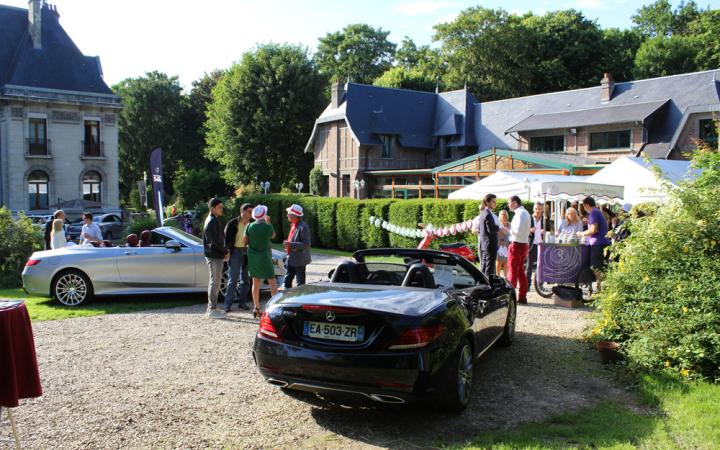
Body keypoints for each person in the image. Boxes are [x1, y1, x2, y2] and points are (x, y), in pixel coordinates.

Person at [245, 205, 279, 318]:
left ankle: (256, 307)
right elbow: (273, 235)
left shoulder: (249, 226)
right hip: (265, 257)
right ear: (264, 215)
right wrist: (268, 223)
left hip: (253, 257)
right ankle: (273, 307)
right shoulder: (267, 227)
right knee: (272, 282)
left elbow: (245, 240)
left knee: (255, 283)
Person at [222, 203, 253, 312]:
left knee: (246, 280)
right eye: (249, 211)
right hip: (235, 251)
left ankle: (242, 302)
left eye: (252, 212)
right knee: (233, 279)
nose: (251, 214)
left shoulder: (252, 224)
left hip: (247, 252)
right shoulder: (232, 223)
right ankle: (227, 305)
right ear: (242, 212)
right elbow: (226, 239)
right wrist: (227, 252)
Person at [202, 198, 228, 319]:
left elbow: (219, 240)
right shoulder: (211, 221)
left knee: (216, 281)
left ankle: (213, 307)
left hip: (216, 254)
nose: (221, 209)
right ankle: (212, 309)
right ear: (212, 208)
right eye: (219, 207)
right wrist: (225, 251)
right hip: (214, 255)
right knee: (215, 282)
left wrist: (224, 251)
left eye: (222, 207)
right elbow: (215, 242)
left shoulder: (214, 219)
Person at [578, 197, 609, 292]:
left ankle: (601, 291)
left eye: (583, 206)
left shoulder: (593, 213)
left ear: (586, 205)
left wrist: (581, 234)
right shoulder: (597, 212)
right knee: (599, 268)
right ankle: (601, 290)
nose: (584, 208)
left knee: (596, 268)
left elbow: (593, 230)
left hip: (598, 244)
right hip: (601, 243)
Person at [507, 196, 531, 304]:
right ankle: (522, 296)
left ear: (515, 203)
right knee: (521, 271)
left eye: (509, 203)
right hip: (523, 244)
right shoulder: (524, 212)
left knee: (512, 271)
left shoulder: (521, 213)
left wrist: (508, 229)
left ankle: (510, 298)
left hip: (517, 244)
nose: (508, 205)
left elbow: (518, 231)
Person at [283, 204, 312, 289]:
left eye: (289, 213)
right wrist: (288, 245)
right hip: (291, 258)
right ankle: (286, 299)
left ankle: (300, 300)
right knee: (287, 280)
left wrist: (290, 244)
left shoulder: (303, 227)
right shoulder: (294, 224)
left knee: (300, 284)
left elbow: (306, 244)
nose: (287, 215)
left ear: (294, 215)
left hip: (299, 260)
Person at [472, 194, 499, 276]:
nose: (495, 203)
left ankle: (483, 284)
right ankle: (488, 286)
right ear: (487, 202)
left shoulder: (483, 213)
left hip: (484, 244)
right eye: (493, 201)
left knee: (484, 267)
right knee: (489, 268)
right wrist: (497, 227)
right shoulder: (487, 214)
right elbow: (491, 230)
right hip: (490, 244)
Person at [525, 202, 546, 292]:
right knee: (529, 266)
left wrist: (545, 231)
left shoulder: (545, 219)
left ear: (542, 210)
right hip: (531, 245)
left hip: (541, 245)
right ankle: (527, 285)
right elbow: (523, 230)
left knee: (541, 266)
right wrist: (529, 230)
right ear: (533, 209)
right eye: (536, 209)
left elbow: (551, 230)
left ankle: (540, 285)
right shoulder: (528, 218)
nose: (538, 211)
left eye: (540, 209)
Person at [496, 210, 510, 277]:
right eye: (502, 214)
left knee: (506, 263)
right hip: (499, 246)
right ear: (499, 216)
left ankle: (506, 278)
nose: (503, 216)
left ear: (507, 215)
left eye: (504, 214)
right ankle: (498, 277)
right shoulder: (497, 224)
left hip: (507, 246)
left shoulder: (509, 224)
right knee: (498, 263)